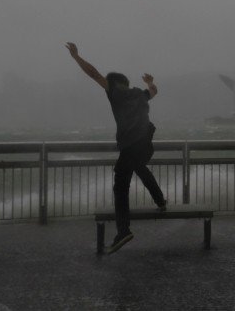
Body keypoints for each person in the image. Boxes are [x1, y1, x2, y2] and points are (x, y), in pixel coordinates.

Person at [66, 42, 167, 254]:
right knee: (140, 168)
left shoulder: (115, 93)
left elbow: (93, 73)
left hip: (130, 146)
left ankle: (123, 231)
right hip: (146, 146)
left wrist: (76, 56)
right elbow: (154, 91)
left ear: (113, 84)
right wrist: (150, 81)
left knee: (120, 188)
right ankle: (160, 200)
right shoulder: (139, 93)